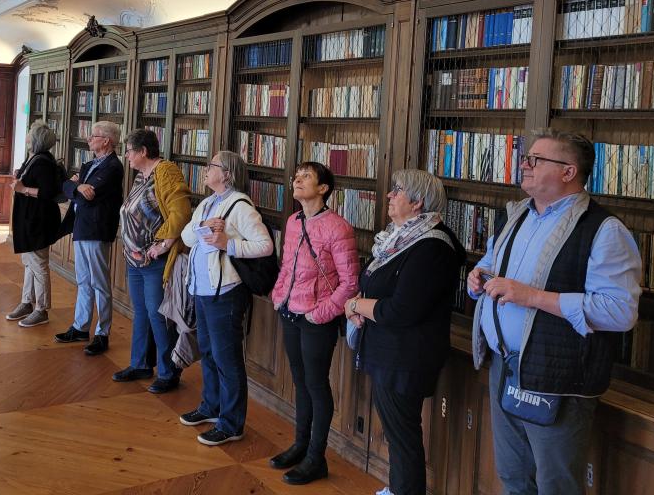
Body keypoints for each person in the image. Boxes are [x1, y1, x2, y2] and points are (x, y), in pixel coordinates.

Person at [467, 129, 641, 495]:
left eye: (536, 159)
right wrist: (478, 275)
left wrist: (533, 296)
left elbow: (621, 311)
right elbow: (491, 261)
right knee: (513, 477)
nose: (524, 164)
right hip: (505, 366)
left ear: (568, 172)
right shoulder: (516, 215)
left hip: (558, 375)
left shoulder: (605, 230)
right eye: (526, 157)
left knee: (555, 484)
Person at [345, 169, 465, 495]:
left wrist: (357, 307)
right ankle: (399, 488)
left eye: (397, 190)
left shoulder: (432, 246)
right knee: (398, 431)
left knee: (403, 433)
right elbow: (376, 288)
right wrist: (360, 302)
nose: (389, 195)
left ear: (418, 202)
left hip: (407, 356)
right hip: (388, 350)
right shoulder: (400, 238)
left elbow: (401, 309)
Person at [270, 161, 359, 485]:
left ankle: (316, 458)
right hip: (291, 312)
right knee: (300, 382)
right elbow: (287, 266)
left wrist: (320, 314)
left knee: (317, 385)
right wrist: (279, 296)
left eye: (306, 176)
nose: (297, 180)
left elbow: (350, 283)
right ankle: (300, 444)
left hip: (316, 318)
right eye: (296, 176)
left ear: (323, 188)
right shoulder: (293, 222)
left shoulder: (338, 227)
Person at [178, 150, 274, 446]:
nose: (206, 169)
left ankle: (232, 424)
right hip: (203, 290)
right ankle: (211, 407)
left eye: (212, 166)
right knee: (207, 350)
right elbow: (186, 238)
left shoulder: (240, 206)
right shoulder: (207, 203)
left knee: (227, 358)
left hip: (226, 294)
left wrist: (229, 244)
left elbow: (265, 246)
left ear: (228, 174)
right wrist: (201, 228)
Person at [113, 128, 191, 394]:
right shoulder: (141, 176)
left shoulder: (165, 171)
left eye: (130, 151)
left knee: (159, 316)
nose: (126, 156)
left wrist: (163, 244)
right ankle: (141, 364)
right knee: (142, 314)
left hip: (154, 259)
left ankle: (169, 371)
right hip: (135, 259)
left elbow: (180, 212)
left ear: (143, 151)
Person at [54, 120, 125, 355]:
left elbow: (86, 197)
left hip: (96, 230)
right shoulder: (89, 165)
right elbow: (66, 187)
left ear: (106, 141)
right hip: (82, 227)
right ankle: (80, 327)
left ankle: (102, 333)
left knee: (100, 283)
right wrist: (76, 186)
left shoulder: (113, 167)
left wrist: (77, 188)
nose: (89, 139)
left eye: (93, 136)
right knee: (83, 280)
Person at [6, 121, 63, 328]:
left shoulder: (43, 162)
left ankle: (42, 309)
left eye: (30, 133)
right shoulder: (34, 159)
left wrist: (23, 189)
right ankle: (26, 302)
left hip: (39, 221)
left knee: (38, 264)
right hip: (30, 219)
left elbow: (48, 193)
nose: (27, 136)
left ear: (36, 139)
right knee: (29, 263)